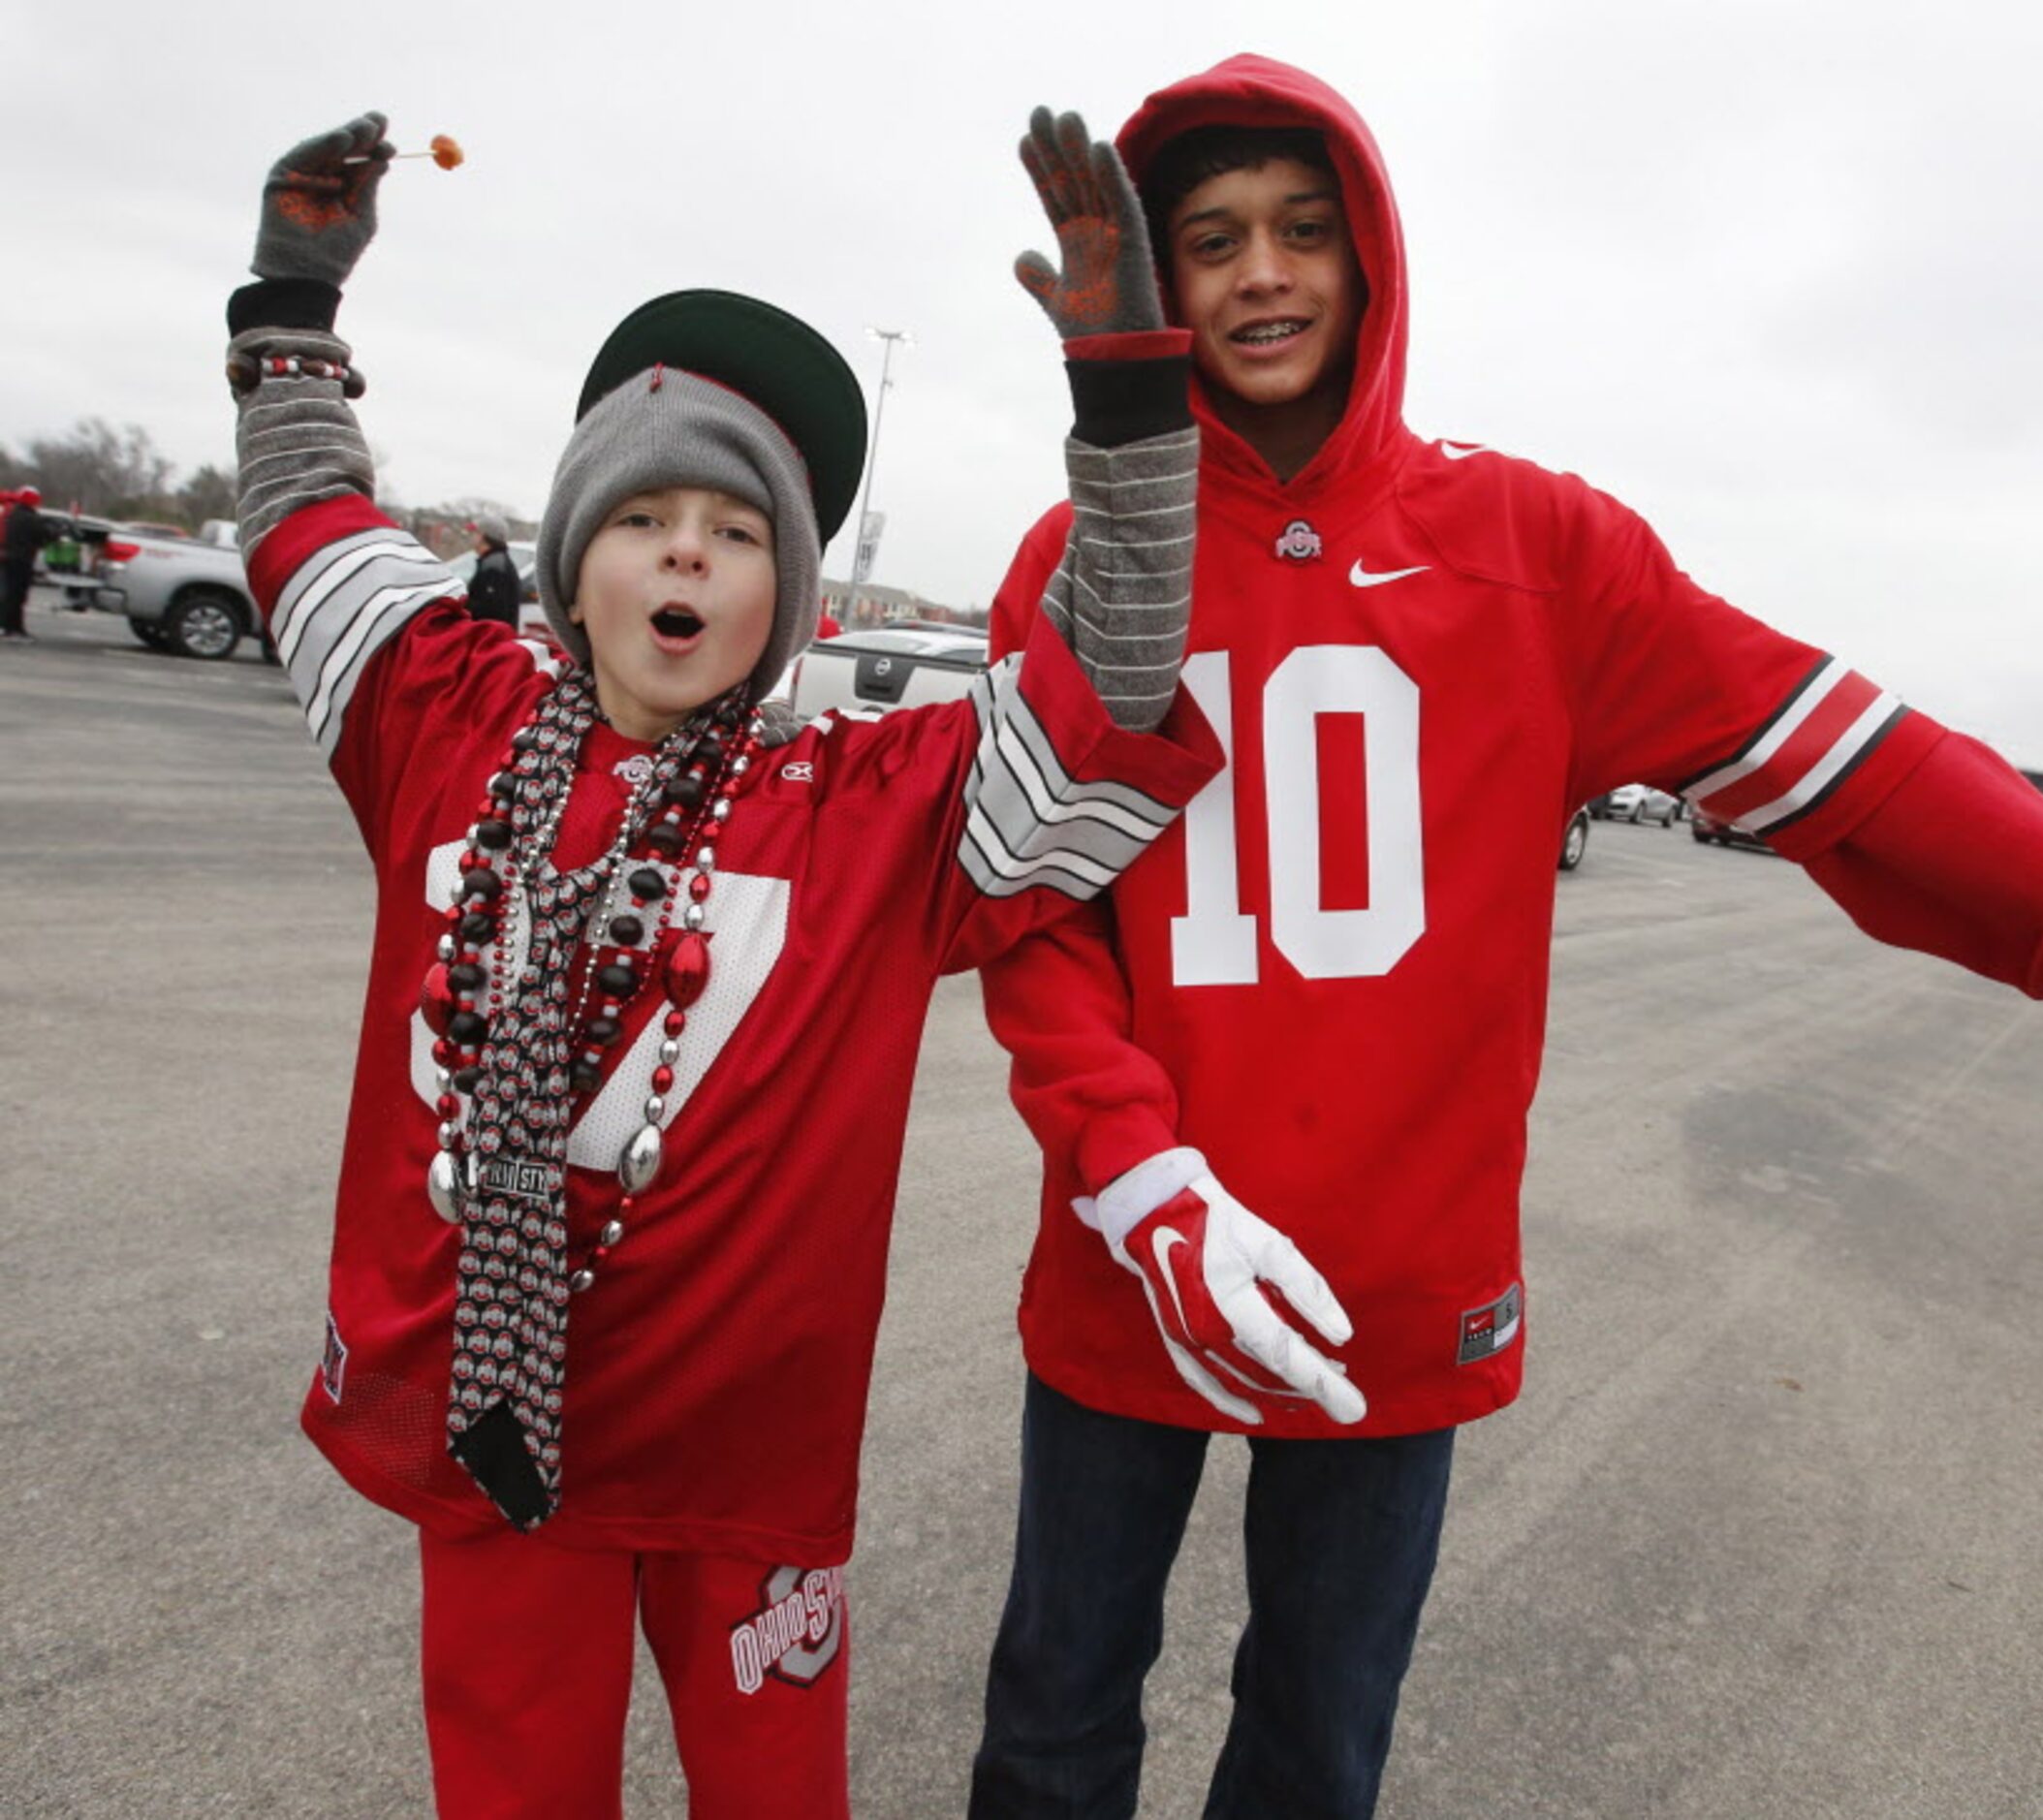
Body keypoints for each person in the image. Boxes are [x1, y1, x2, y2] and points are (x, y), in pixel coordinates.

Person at [963, 56, 2043, 1820]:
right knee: (1050, 1717)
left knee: (1314, 1739)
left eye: (1299, 229)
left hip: (1392, 1275)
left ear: (1373, 259)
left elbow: (1854, 765)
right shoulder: (1081, 546)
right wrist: (1133, 1176)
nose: (1261, 272)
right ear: (1149, 273)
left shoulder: (1535, 543)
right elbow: (1028, 908)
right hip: (1137, 1242)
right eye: (1208, 239)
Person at [227, 111, 1214, 1815]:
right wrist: (293, 305)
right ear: (569, 566)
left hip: (740, 1466)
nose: (688, 548)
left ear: (789, 600)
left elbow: (1108, 674)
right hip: (490, 1435)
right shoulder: (436, 717)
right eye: (645, 515)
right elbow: (309, 529)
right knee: (510, 1787)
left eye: (738, 531)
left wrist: (1126, 395)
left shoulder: (876, 805)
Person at [1, 486, 46, 642]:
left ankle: (10, 627)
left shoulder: (12, 514)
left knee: (10, 594)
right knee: (17, 596)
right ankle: (13, 629)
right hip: (22, 560)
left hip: (9, 557)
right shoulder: (30, 518)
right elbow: (42, 536)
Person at [463, 521, 522, 630]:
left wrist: (463, 606)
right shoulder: (493, 561)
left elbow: (492, 610)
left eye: (474, 533)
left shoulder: (494, 566)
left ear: (483, 536)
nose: (471, 537)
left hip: (492, 639)